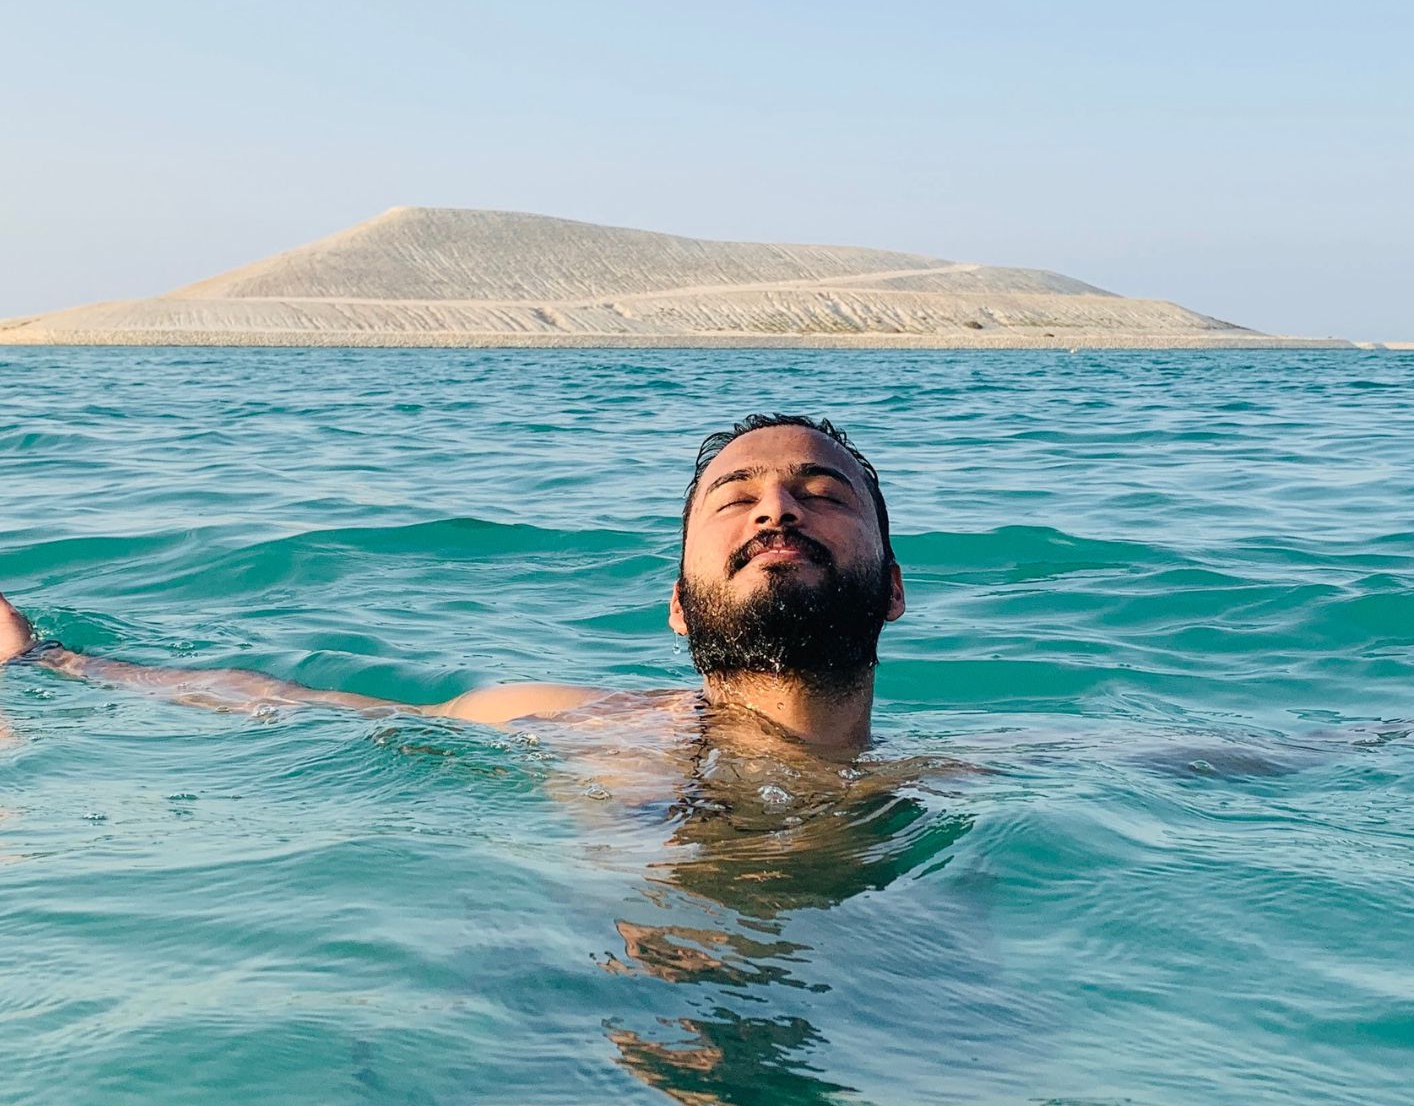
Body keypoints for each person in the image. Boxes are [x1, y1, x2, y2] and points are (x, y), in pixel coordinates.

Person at [0, 413, 906, 754]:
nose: (776, 510)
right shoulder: (588, 731)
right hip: (579, 1029)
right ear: (677, 605)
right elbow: (294, 705)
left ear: (895, 590)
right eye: (734, 499)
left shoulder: (966, 785)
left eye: (821, 494)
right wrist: (50, 660)